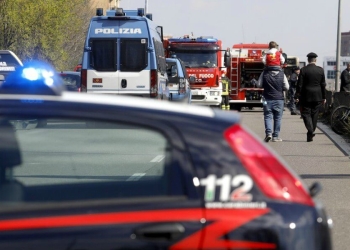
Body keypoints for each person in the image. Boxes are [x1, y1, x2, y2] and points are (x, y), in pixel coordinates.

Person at [294, 52, 326, 142]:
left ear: (308, 60)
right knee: (315, 114)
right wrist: (324, 97)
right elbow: (323, 84)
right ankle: (310, 133)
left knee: (306, 113)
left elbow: (299, 84)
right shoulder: (320, 70)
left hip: (306, 95)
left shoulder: (303, 70)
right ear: (315, 60)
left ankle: (310, 131)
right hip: (318, 95)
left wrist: (297, 95)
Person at [257, 65, 289, 142]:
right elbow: (287, 87)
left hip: (266, 98)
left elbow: (259, 85)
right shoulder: (282, 74)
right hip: (279, 99)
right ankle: (275, 136)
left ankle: (268, 133)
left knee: (268, 116)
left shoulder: (264, 73)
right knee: (278, 118)